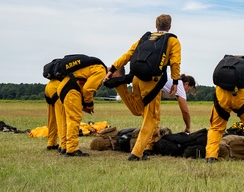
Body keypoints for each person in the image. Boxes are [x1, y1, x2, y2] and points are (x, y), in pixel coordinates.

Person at [107, 14, 182, 161]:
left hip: (136, 78)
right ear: (170, 26)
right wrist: (175, 81)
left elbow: (129, 54)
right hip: (152, 82)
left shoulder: (145, 37)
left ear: (156, 25)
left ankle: (120, 87)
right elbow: (175, 62)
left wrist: (113, 67)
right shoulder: (172, 40)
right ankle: (137, 152)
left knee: (138, 110)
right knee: (151, 118)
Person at [205, 55, 244, 162]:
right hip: (240, 97)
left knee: (216, 128)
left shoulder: (224, 63)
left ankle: (211, 156)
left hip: (221, 97)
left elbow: (218, 84)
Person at [56, 54, 107, 156]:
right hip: (71, 89)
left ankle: (64, 146)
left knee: (67, 119)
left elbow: (83, 85)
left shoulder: (92, 67)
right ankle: (72, 149)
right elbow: (88, 89)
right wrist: (89, 104)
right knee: (74, 119)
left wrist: (84, 103)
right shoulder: (101, 70)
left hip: (63, 87)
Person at [42, 59, 66, 153]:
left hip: (49, 87)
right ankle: (63, 144)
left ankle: (51, 142)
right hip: (57, 87)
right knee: (61, 117)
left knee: (52, 117)